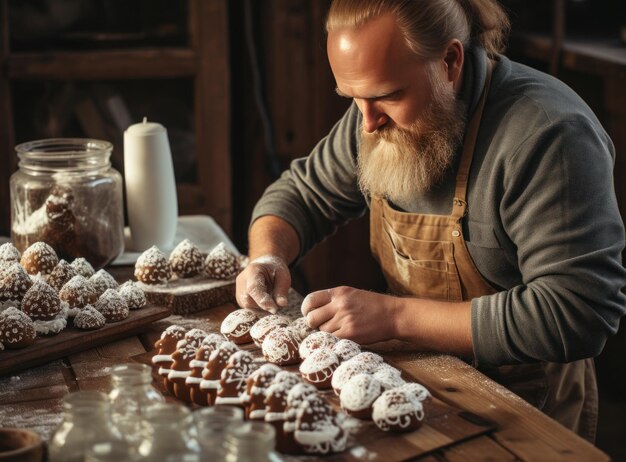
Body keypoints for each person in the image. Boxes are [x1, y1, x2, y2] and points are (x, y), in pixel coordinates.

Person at [235, 0, 626, 441]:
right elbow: (300, 195)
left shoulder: (547, 134)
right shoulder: (373, 116)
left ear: (450, 62)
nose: (365, 123)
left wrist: (396, 317)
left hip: (528, 407)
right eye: (352, 98)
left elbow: (577, 313)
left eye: (387, 95)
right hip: (419, 389)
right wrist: (267, 255)